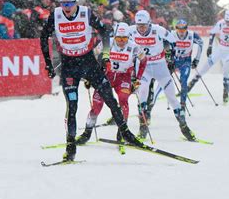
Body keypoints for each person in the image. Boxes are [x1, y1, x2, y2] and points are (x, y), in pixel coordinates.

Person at [40, 0, 143, 162]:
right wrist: (48, 64)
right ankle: (70, 146)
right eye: (63, 3)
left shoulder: (85, 13)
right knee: (72, 106)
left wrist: (105, 55)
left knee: (109, 98)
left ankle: (126, 133)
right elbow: (43, 37)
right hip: (69, 65)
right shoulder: (55, 15)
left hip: (88, 62)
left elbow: (105, 31)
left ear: (75, 1)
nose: (66, 7)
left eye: (70, 3)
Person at [77, 22, 147, 150]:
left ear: (128, 37)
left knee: (123, 100)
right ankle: (86, 133)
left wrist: (138, 78)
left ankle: (122, 132)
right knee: (96, 107)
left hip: (123, 78)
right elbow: (92, 56)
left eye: (124, 38)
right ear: (114, 36)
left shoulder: (135, 47)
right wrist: (89, 76)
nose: (121, 41)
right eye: (118, 38)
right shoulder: (107, 43)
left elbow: (143, 61)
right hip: (106, 77)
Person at [128, 10, 196, 142]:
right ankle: (142, 129)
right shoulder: (131, 30)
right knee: (142, 93)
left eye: (144, 26)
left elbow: (173, 41)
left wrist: (171, 57)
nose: (141, 29)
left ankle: (184, 127)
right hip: (144, 67)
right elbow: (116, 39)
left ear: (149, 23)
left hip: (160, 66)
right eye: (139, 26)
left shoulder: (158, 30)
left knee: (171, 97)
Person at [188, 10, 229, 103]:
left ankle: (225, 93)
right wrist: (210, 46)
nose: (227, 23)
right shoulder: (221, 23)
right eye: (226, 21)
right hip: (219, 49)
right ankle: (189, 87)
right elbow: (212, 33)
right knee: (204, 68)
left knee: (226, 70)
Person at [168, 19, 203, 109]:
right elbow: (164, 44)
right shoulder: (172, 34)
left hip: (186, 60)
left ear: (186, 29)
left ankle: (183, 104)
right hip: (174, 60)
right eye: (179, 29)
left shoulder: (192, 35)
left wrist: (197, 59)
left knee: (183, 81)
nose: (181, 32)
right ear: (176, 29)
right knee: (166, 80)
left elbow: (201, 43)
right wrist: (168, 58)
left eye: (183, 29)